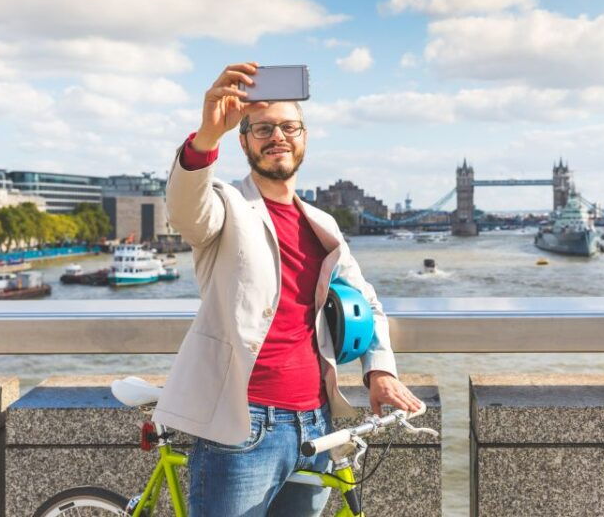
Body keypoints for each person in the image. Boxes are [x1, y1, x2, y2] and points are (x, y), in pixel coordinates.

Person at [152, 61, 423, 516]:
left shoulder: (323, 224)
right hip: (242, 425)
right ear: (243, 140)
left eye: (289, 127)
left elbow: (368, 303)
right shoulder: (225, 204)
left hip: (316, 425)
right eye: (262, 128)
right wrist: (205, 137)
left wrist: (379, 371)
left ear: (304, 137)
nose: (277, 136)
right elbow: (185, 212)